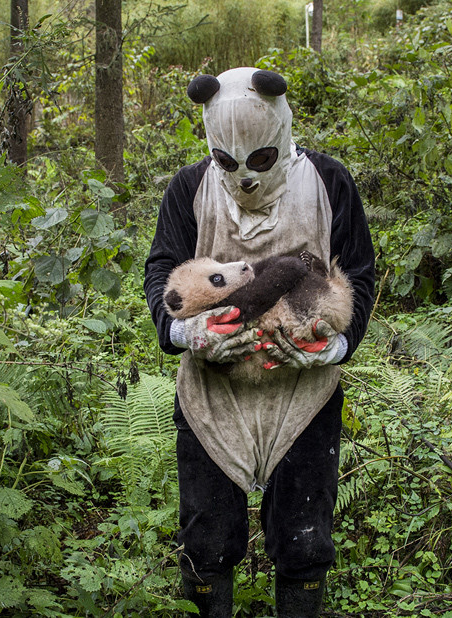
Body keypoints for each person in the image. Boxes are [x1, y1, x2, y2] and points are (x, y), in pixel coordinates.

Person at [144, 67, 375, 618]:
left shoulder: (329, 182)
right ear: (211, 148)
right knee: (206, 537)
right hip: (212, 397)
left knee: (304, 538)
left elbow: (360, 274)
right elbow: (161, 272)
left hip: (303, 394)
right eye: (228, 162)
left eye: (261, 161)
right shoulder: (189, 188)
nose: (244, 178)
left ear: (282, 133)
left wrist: (335, 348)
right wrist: (183, 332)